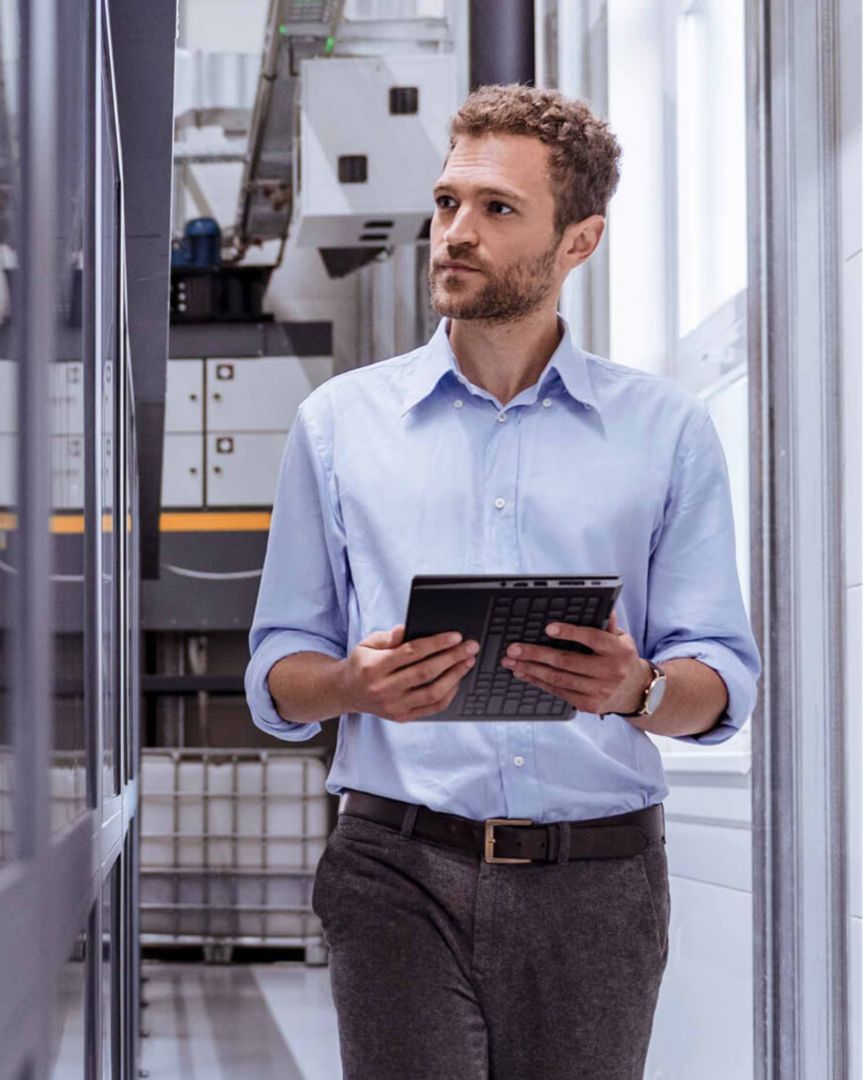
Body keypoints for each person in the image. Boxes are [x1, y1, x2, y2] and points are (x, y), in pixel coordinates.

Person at [245, 84, 760, 1080]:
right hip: (395, 867)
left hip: (598, 885)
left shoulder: (664, 433)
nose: (455, 233)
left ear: (577, 242)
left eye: (496, 210)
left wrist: (635, 689)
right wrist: (350, 686)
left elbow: (718, 682)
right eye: (447, 203)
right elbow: (277, 670)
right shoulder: (339, 426)